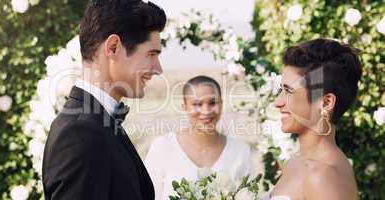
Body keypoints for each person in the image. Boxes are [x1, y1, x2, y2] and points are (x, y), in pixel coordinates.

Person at [42, 0, 166, 199]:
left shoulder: (98, 121)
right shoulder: (80, 134)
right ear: (114, 47)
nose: (158, 68)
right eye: (151, 54)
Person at [264, 38, 361, 200]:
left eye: (289, 91)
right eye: (281, 90)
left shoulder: (322, 176)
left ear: (325, 102)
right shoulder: (297, 163)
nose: (278, 102)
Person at [145, 75, 253, 200]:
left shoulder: (240, 151)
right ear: (185, 107)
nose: (206, 111)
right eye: (197, 104)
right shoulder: (162, 148)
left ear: (222, 104)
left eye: (213, 103)